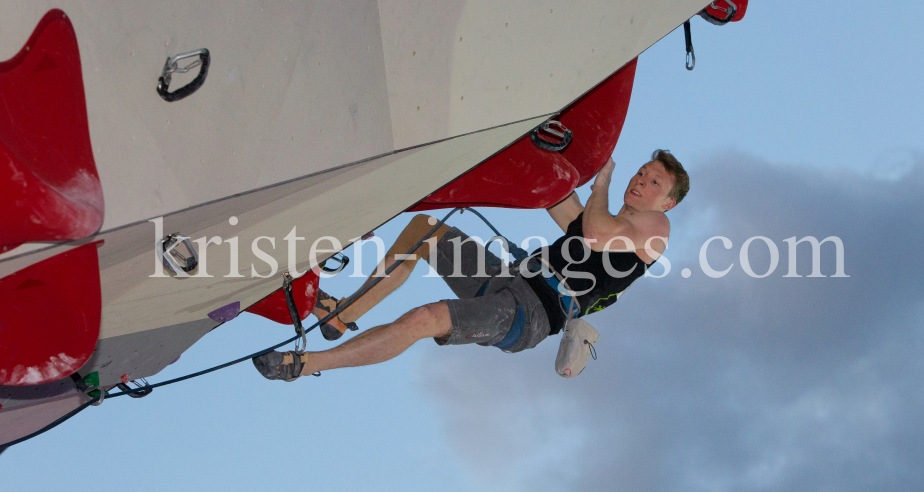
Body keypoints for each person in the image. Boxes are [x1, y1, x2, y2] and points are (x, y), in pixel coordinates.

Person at [253, 150, 690, 381]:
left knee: (425, 318)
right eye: (640, 171)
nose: (640, 180)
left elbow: (592, 231)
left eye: (654, 181)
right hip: (509, 279)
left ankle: (307, 364)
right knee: (423, 230)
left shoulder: (655, 229)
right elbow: (556, 198)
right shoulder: (607, 221)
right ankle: (342, 314)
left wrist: (604, 180)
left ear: (667, 201)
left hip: (531, 313)